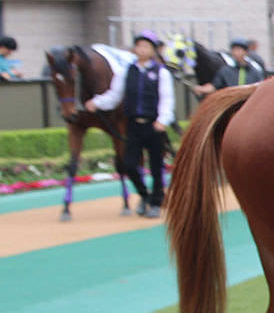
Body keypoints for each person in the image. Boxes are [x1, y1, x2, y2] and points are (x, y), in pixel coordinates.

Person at [84, 31, 174, 217]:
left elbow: (167, 99)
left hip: (154, 124)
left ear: (153, 50)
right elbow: (114, 96)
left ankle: (157, 201)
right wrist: (96, 102)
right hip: (133, 124)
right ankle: (144, 195)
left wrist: (162, 120)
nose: (141, 49)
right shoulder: (126, 71)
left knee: (156, 166)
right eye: (139, 45)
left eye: (146, 46)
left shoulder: (161, 73)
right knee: (130, 164)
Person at [194, 39, 264, 98]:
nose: (235, 53)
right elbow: (214, 86)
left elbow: (260, 89)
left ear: (246, 52)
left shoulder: (255, 72)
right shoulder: (225, 71)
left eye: (238, 50)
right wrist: (202, 89)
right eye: (233, 50)